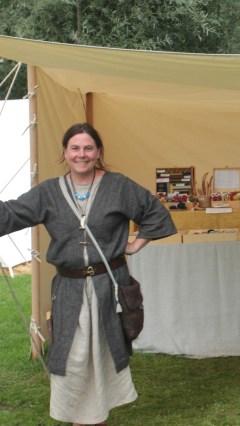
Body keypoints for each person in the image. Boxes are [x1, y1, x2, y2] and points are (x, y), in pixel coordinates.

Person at [0, 122, 177, 425]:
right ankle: (81, 419)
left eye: (88, 148)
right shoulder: (48, 192)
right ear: (65, 152)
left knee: (103, 354)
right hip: (69, 289)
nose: (81, 154)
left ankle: (96, 418)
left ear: (97, 152)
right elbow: (10, 215)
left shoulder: (118, 186)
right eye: (75, 148)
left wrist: (134, 245)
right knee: (72, 357)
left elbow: (155, 213)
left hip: (108, 287)